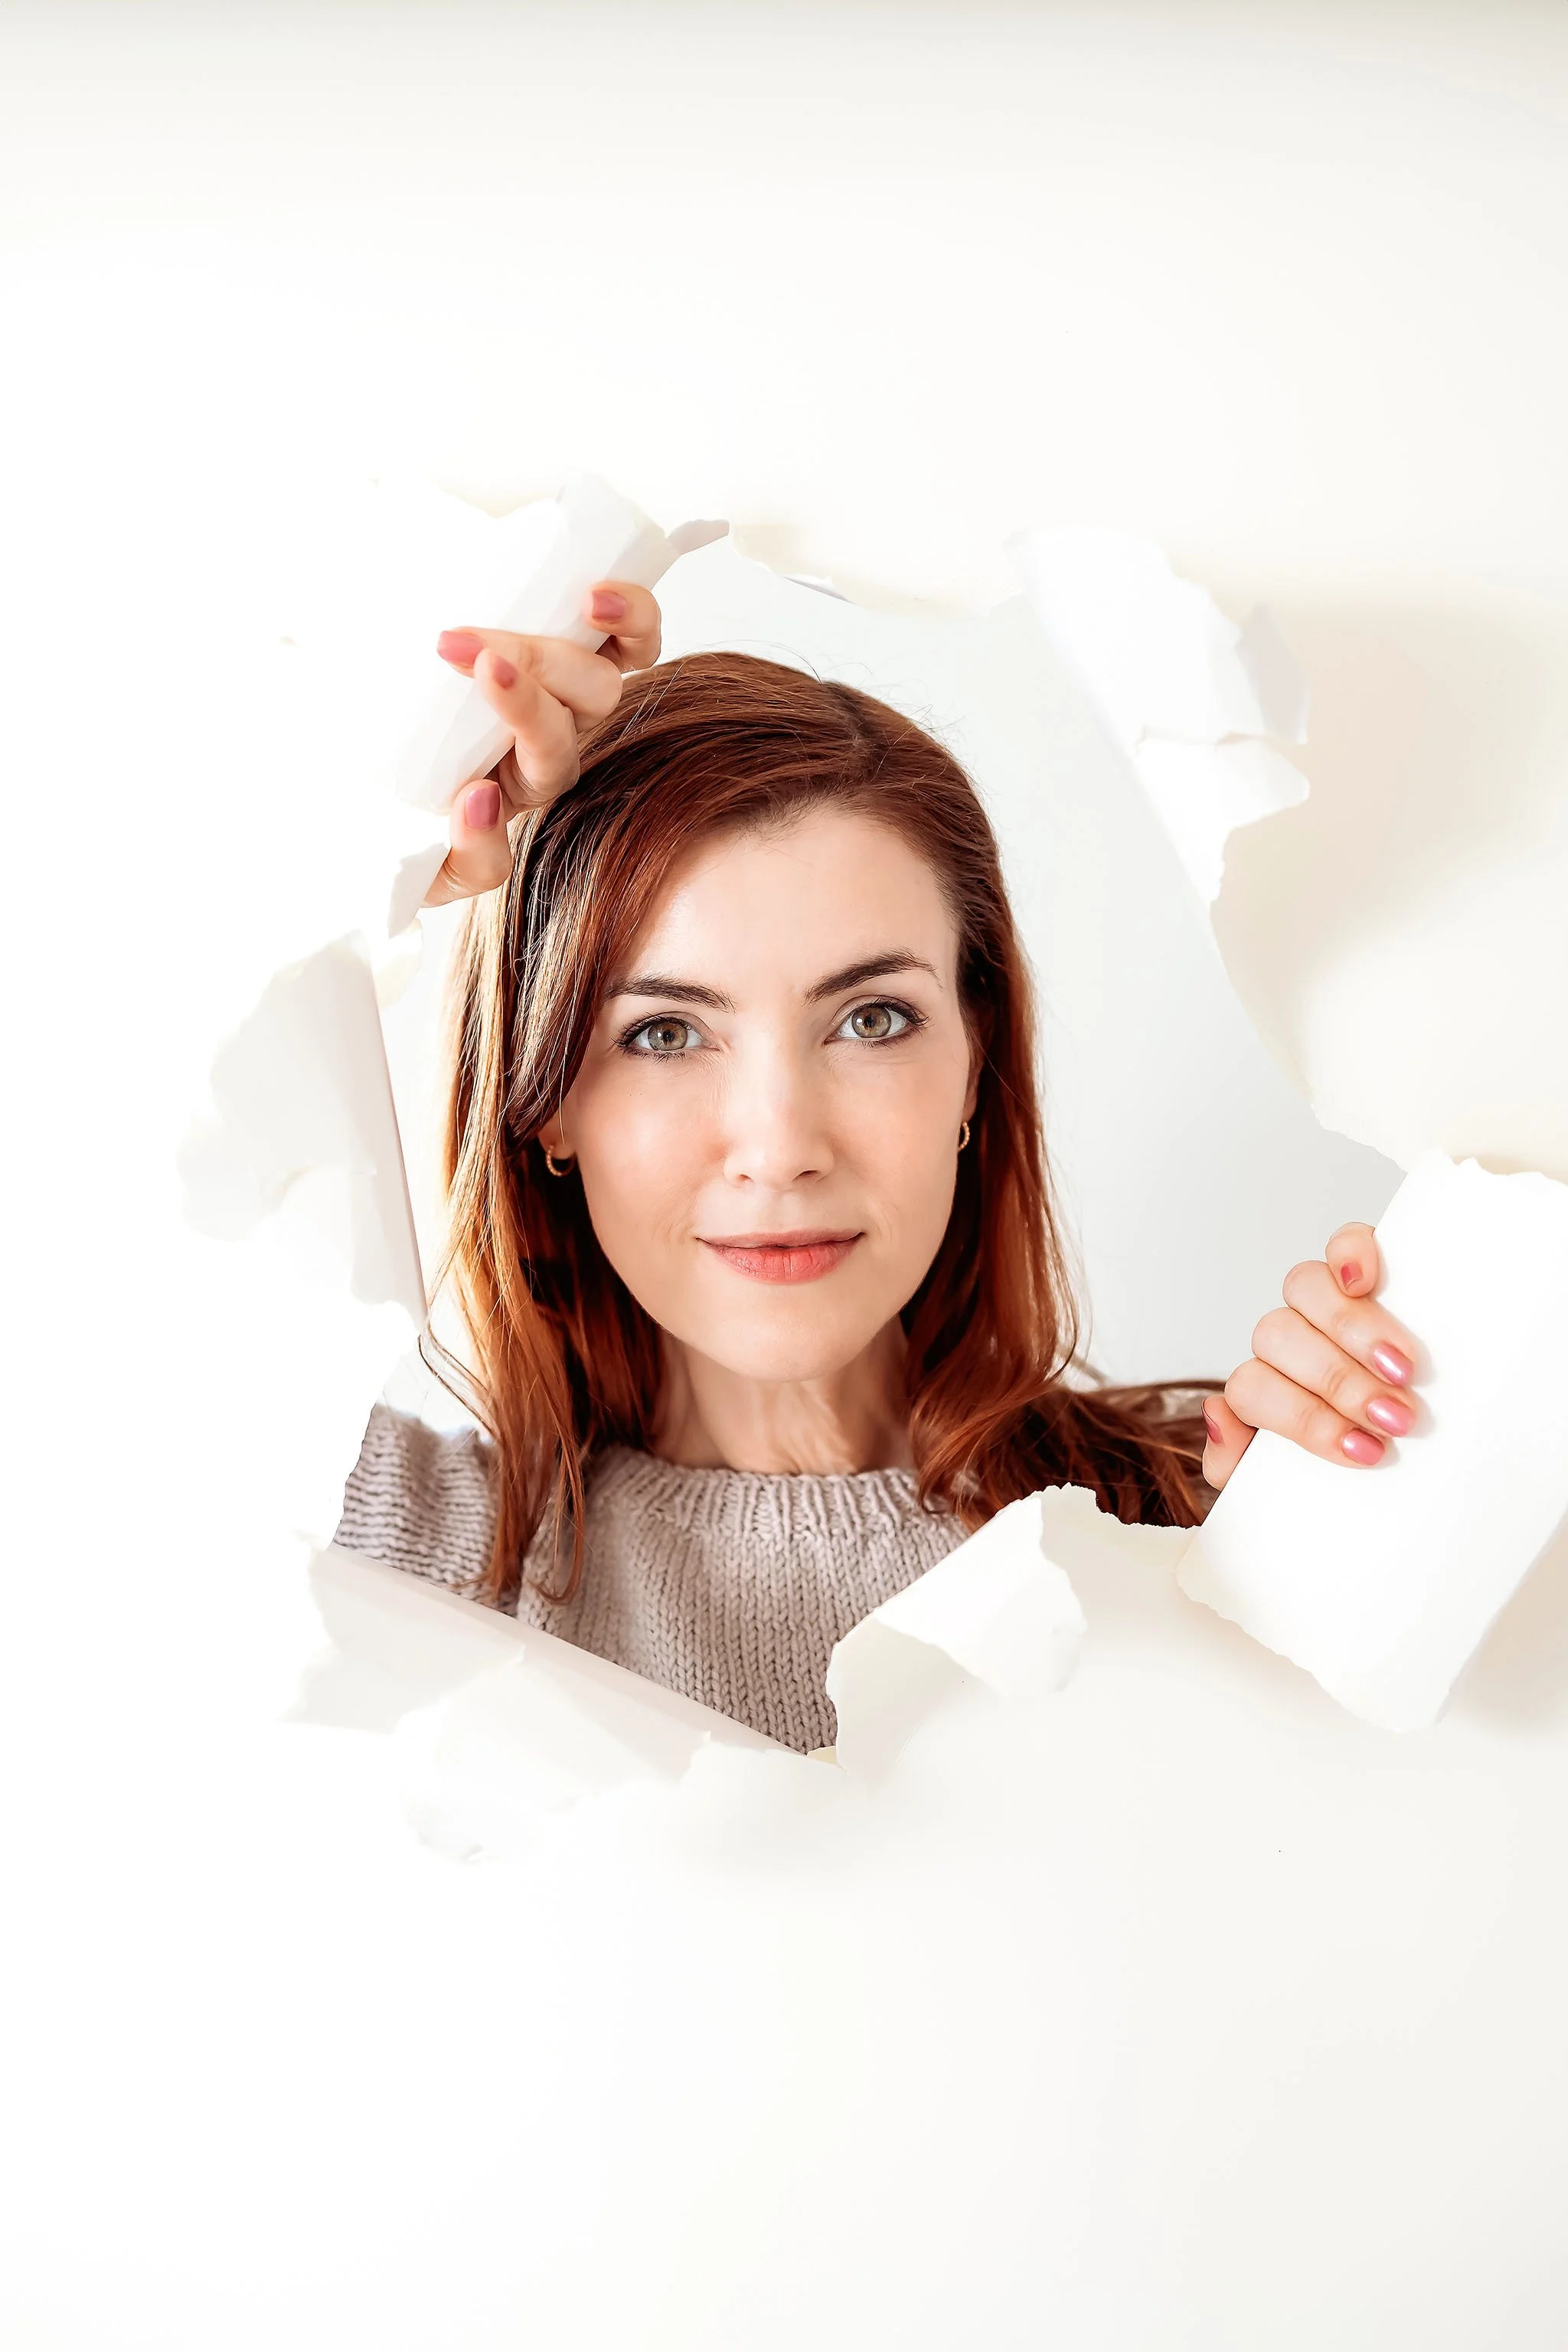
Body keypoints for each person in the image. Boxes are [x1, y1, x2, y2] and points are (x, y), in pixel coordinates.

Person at [335, 580, 1423, 1753]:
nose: (783, 1147)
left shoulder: (1209, 1507)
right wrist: (380, 843)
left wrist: (1402, 1496)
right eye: (663, 1033)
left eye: (870, 1020)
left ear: (974, 1063)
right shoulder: (411, 1561)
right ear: (544, 1099)